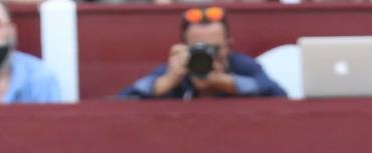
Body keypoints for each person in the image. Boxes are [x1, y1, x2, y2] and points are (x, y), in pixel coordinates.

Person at [117, 6, 288, 100]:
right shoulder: (177, 72)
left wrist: (225, 82)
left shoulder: (242, 66)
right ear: (184, 49)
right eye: (198, 49)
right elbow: (120, 102)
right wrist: (166, 82)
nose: (207, 56)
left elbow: (279, 96)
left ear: (228, 46)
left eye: (213, 49)